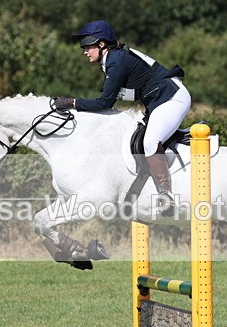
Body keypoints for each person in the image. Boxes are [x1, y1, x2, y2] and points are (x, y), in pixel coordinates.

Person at [53, 20, 191, 216]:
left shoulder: (115, 62)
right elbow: (125, 95)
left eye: (87, 46)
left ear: (101, 44)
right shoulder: (112, 59)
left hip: (172, 98)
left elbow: (104, 103)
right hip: (158, 100)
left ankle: (166, 194)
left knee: (150, 142)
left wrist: (73, 103)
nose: (84, 51)